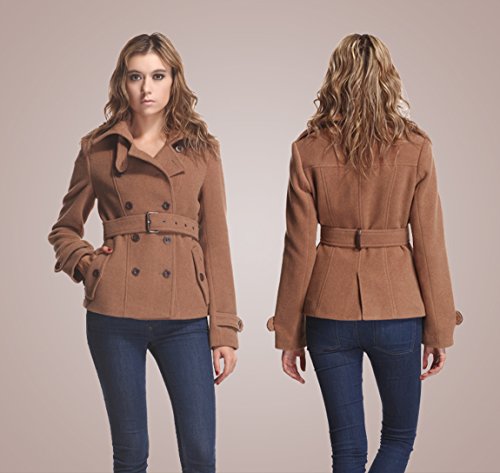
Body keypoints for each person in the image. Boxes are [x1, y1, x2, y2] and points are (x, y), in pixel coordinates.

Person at [266, 33, 463, 473]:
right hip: (398, 312)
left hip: (328, 313)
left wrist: (289, 333)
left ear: (334, 80)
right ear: (388, 80)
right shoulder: (416, 147)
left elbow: (297, 247)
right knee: (398, 438)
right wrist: (439, 328)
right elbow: (430, 243)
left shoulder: (307, 149)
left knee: (348, 451)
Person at [48, 32, 243, 473]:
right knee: (131, 452)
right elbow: (64, 228)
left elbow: (216, 242)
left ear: (174, 80)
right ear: (123, 82)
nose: (146, 88)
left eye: (157, 76)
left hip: (185, 316)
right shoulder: (97, 148)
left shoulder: (203, 151)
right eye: (136, 77)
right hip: (114, 315)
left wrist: (224, 330)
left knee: (199, 452)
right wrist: (88, 265)